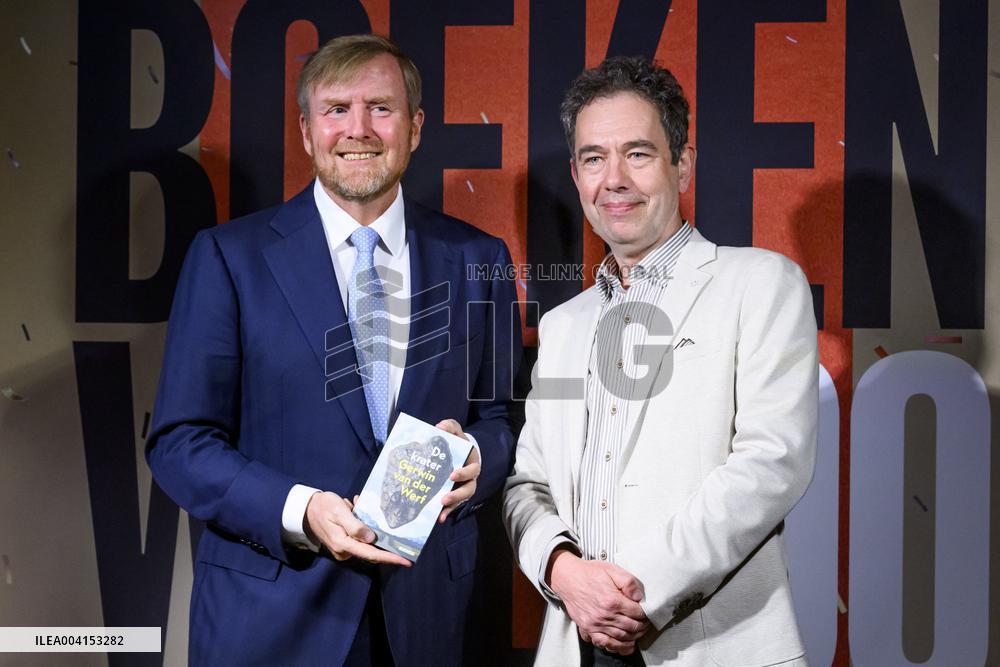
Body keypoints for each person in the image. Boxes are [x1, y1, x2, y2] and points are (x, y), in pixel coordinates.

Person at [147, 34, 520, 666]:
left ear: (416, 126)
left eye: (381, 107)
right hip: (272, 621)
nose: (359, 129)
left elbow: (506, 415)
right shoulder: (228, 258)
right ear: (305, 128)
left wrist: (478, 457)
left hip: (429, 622)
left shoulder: (478, 259)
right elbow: (180, 440)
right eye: (336, 109)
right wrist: (303, 510)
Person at [502, 56, 817, 667]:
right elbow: (528, 485)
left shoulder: (760, 284)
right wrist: (565, 573)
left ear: (684, 164)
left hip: (714, 644)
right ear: (576, 175)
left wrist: (633, 588)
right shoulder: (565, 327)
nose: (614, 179)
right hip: (577, 642)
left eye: (638, 153)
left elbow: (772, 462)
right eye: (594, 158)